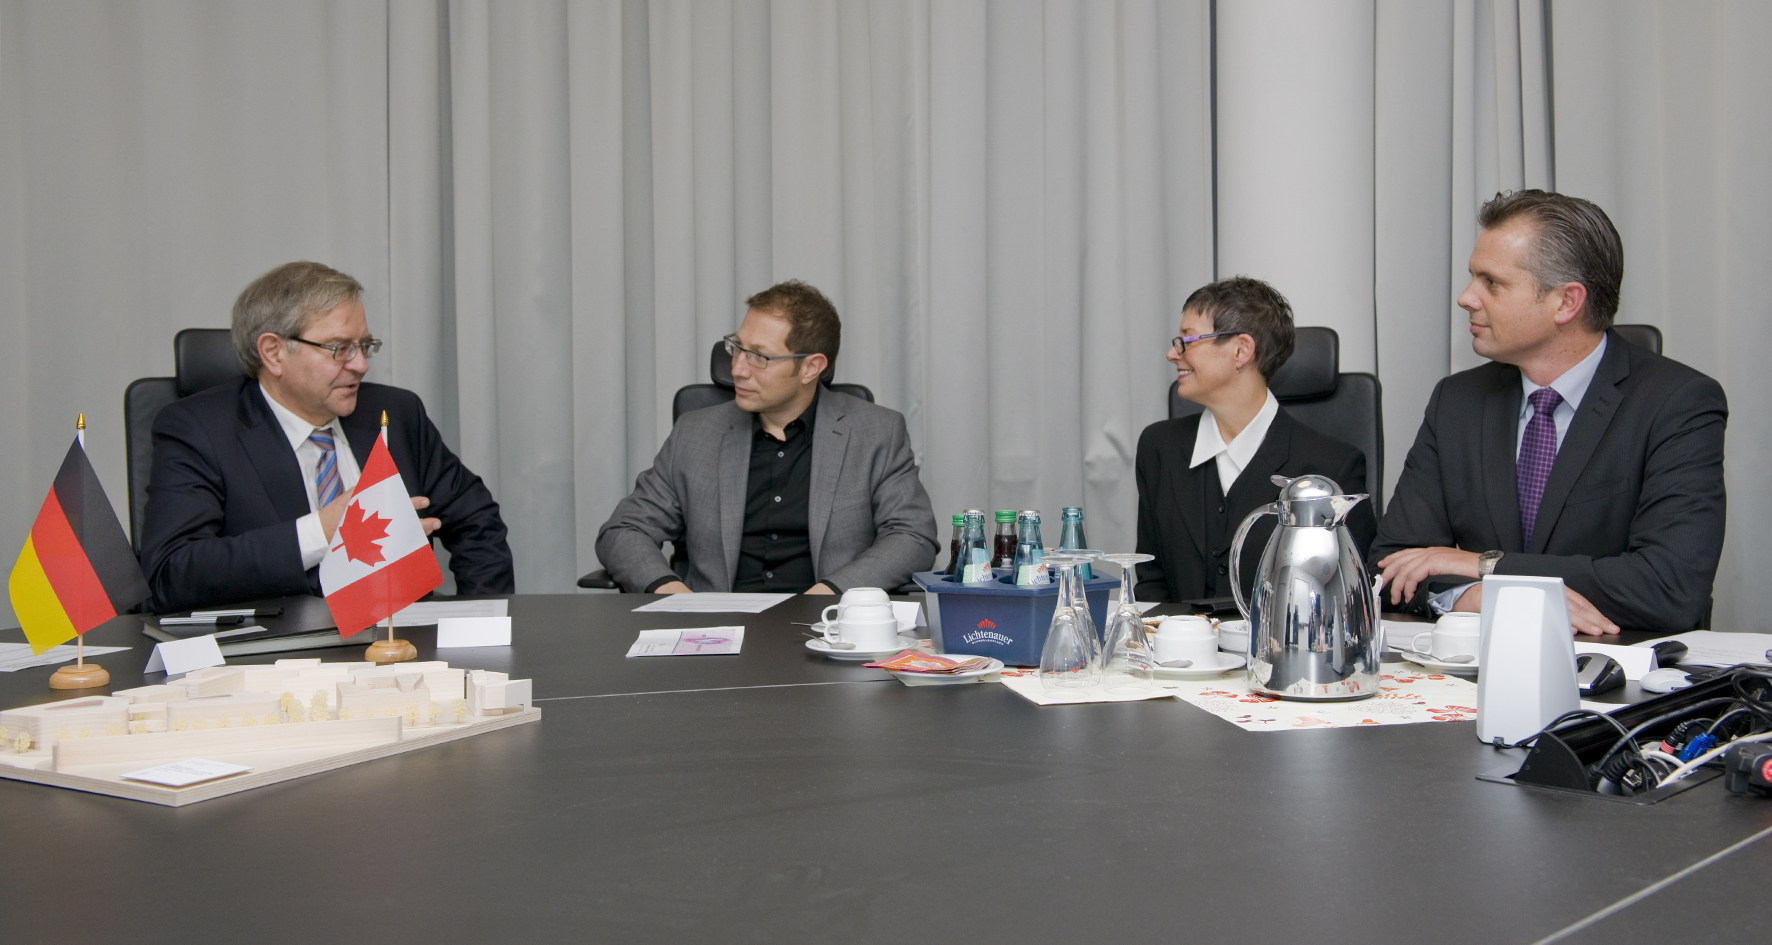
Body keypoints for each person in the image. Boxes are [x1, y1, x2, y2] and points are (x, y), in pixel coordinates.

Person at [1372, 190, 1727, 634]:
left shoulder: (1677, 403)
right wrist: (1472, 594)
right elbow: (1390, 564)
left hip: (1613, 680)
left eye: (1492, 283)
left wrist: (1485, 567)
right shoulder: (1457, 401)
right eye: (1472, 278)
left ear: (1566, 302)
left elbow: (1669, 586)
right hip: (1470, 676)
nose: (1466, 298)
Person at [141, 262, 514, 612]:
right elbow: (173, 572)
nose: (361, 365)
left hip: (399, 646)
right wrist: (323, 530)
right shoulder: (198, 429)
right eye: (339, 349)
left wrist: (476, 623)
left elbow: (477, 522)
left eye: (364, 346)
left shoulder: (394, 413)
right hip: (279, 662)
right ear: (273, 353)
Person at [596, 280, 938, 595]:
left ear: (810, 367)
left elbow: (911, 536)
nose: (738, 369)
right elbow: (624, 531)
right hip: (715, 630)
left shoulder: (876, 432)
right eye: (737, 347)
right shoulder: (695, 434)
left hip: (825, 626)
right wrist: (670, 592)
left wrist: (833, 593)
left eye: (758, 356)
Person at [1134, 277, 1377, 604]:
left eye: (1187, 340)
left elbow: (1348, 597)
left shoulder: (1333, 468)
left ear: (1241, 350)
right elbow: (1151, 580)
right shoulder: (1158, 448)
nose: (1172, 353)